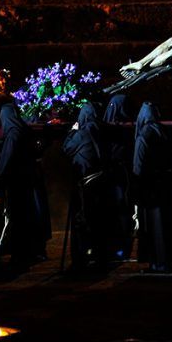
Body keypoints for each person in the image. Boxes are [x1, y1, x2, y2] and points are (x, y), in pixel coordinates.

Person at [0, 103, 51, 267]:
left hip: (18, 184)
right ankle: (33, 250)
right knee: (31, 217)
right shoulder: (25, 131)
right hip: (30, 182)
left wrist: (0, 179)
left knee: (19, 219)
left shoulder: (13, 134)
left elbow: (7, 161)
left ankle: (21, 253)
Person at [62, 102, 111, 270]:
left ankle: (83, 257)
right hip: (101, 179)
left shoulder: (82, 133)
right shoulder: (101, 130)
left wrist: (72, 131)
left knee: (84, 220)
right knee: (100, 220)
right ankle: (101, 256)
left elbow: (67, 149)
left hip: (87, 181)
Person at [132, 101, 172, 272]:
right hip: (166, 185)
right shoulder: (164, 132)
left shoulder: (145, 134)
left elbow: (139, 164)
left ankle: (158, 263)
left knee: (154, 226)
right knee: (166, 224)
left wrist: (137, 187)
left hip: (150, 187)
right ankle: (168, 260)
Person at [103, 94, 136, 260]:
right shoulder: (126, 127)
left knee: (120, 210)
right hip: (118, 174)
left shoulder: (117, 128)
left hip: (118, 175)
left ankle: (119, 248)